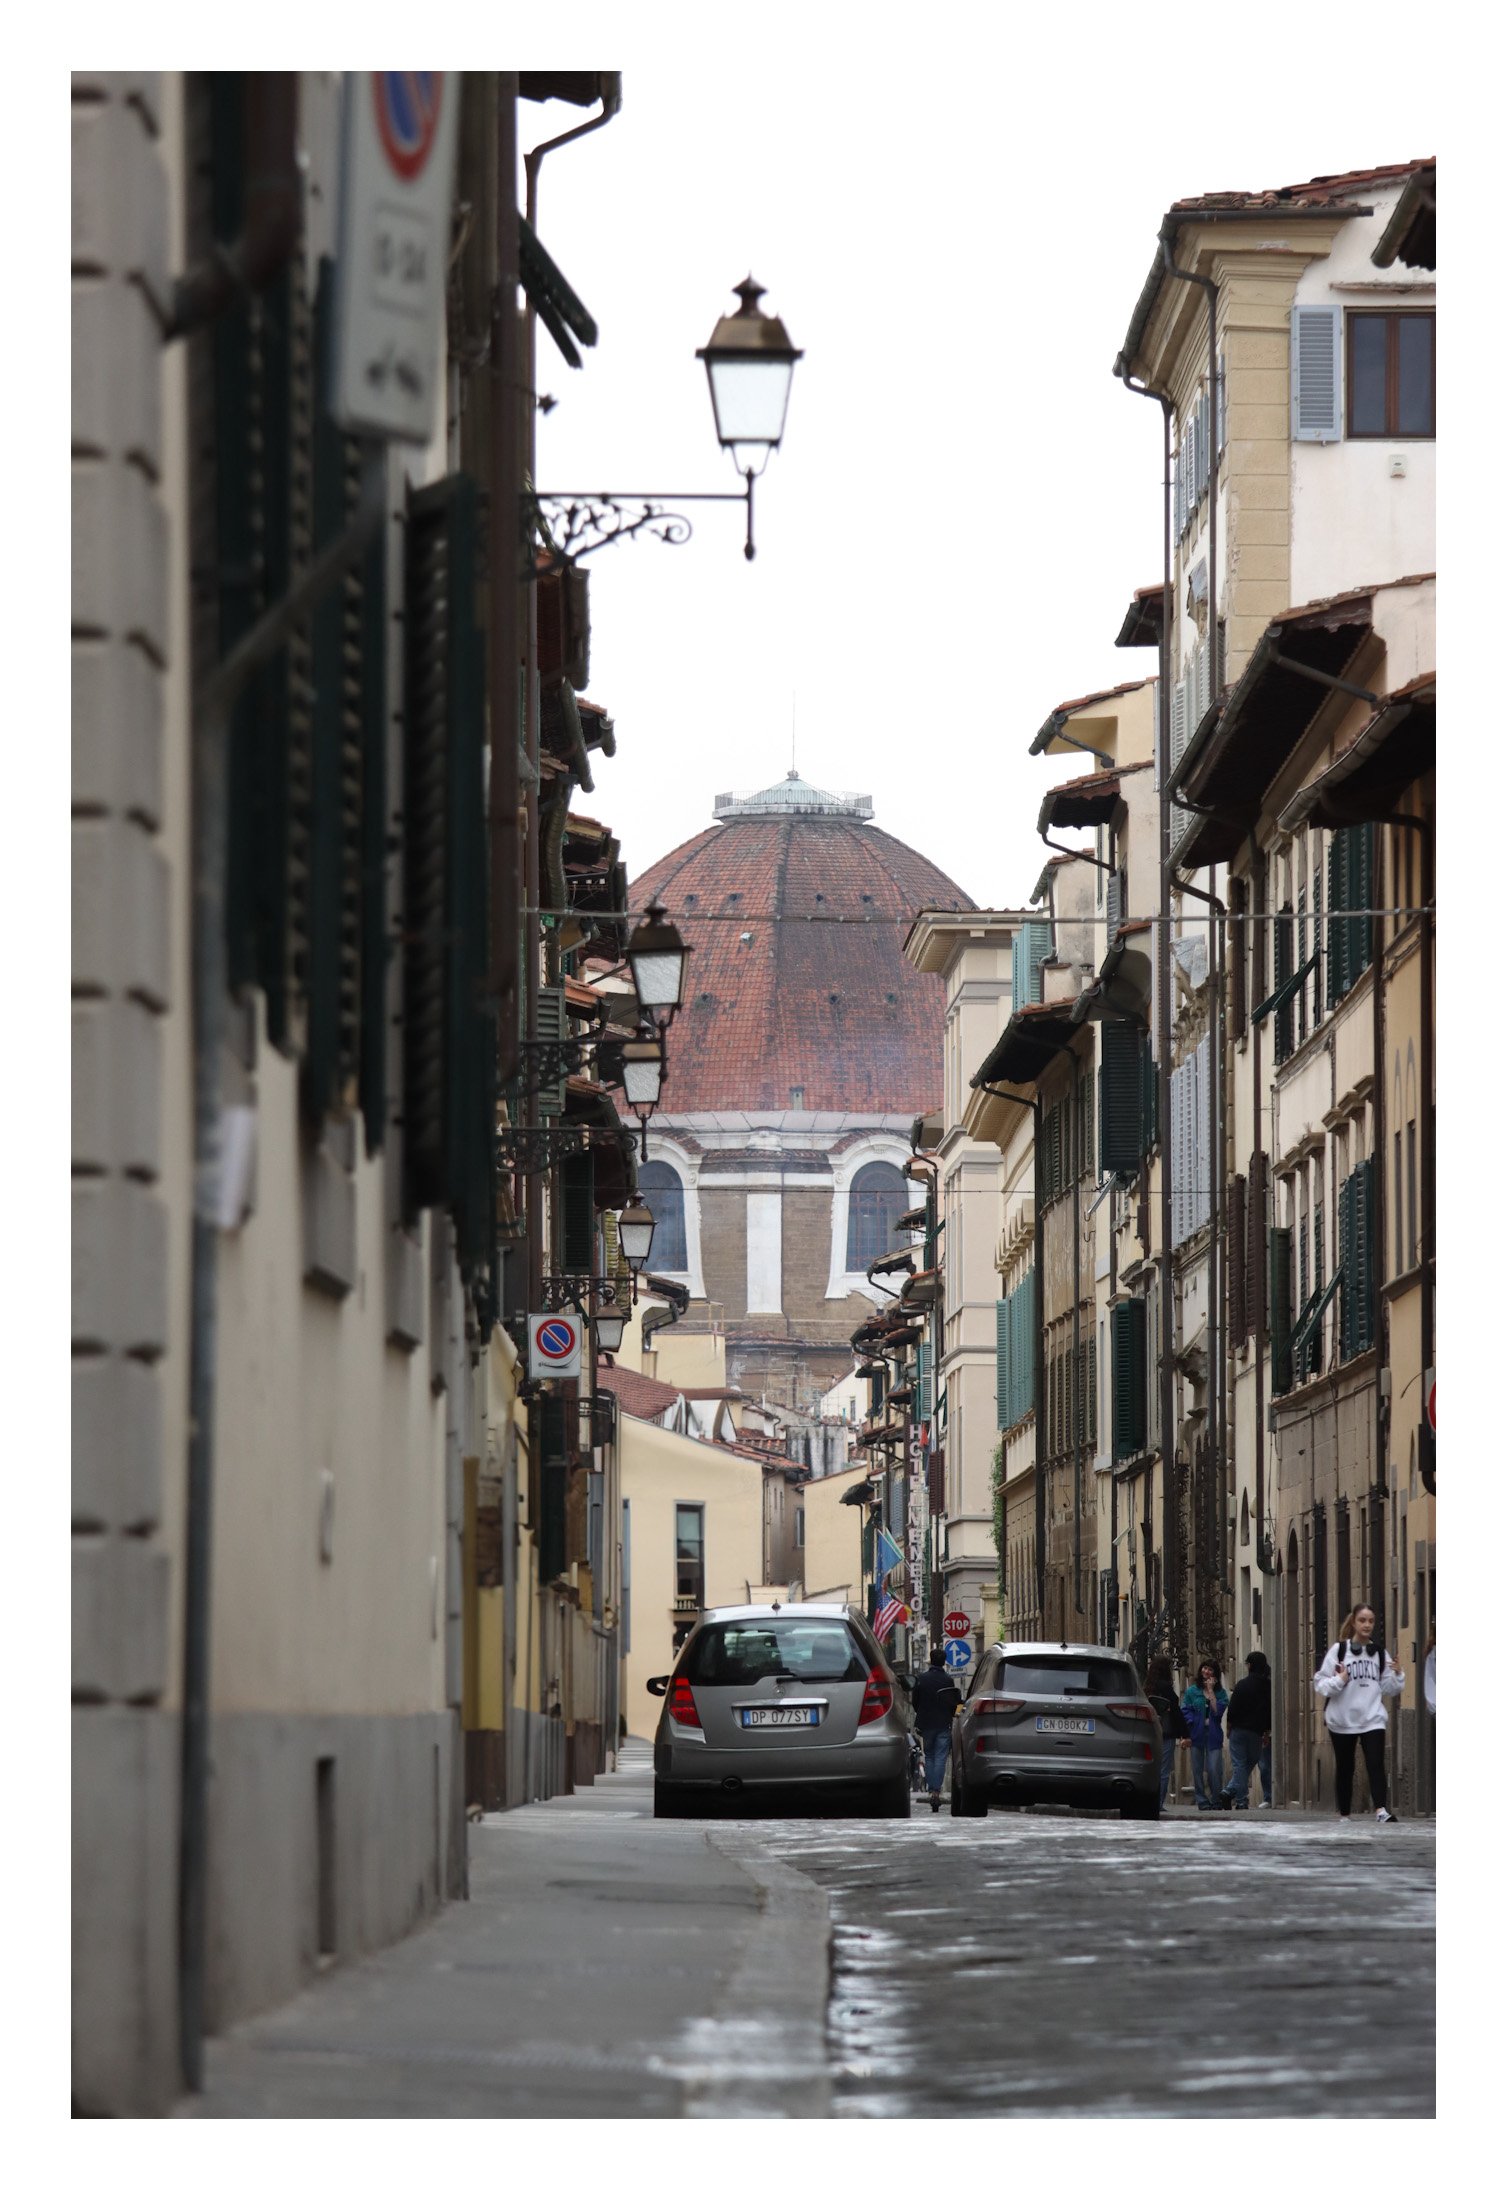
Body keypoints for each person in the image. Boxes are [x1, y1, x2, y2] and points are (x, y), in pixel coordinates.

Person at [1313, 1602, 1406, 1822]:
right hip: (1342, 1720)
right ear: (1354, 1622)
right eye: (1362, 1620)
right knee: (1346, 1767)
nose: (1367, 1625)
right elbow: (1320, 1684)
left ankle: (1381, 1810)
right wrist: (1340, 1680)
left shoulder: (1380, 1654)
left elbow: (1388, 1688)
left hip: (1372, 1717)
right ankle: (1344, 1813)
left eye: (1371, 1621)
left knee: (1375, 1763)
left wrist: (1399, 1675)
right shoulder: (1340, 1651)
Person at [911, 1646, 963, 1812]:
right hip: (943, 1723)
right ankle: (936, 1791)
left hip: (927, 1725)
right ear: (944, 1662)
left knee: (930, 1756)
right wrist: (954, 1714)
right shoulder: (948, 1680)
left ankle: (932, 1789)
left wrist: (922, 1712)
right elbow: (955, 1702)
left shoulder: (921, 1678)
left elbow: (915, 1701)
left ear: (931, 1661)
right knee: (941, 1757)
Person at [1222, 1651, 1273, 1810]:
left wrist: (1229, 1727)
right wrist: (1266, 1731)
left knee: (1240, 1765)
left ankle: (1238, 1798)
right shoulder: (1267, 1686)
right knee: (1248, 1764)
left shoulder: (1242, 1684)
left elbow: (1233, 1707)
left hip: (1239, 1730)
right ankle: (1230, 1793)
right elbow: (1268, 1711)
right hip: (1256, 1732)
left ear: (1250, 1665)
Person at [1179, 1656, 1229, 1811]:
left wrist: (1210, 1691)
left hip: (1213, 1734)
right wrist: (1191, 1724)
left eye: (1210, 1670)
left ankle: (1216, 1799)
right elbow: (1184, 1710)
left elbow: (1217, 1711)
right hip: (1196, 1734)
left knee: (1214, 1769)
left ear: (1215, 1674)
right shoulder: (1192, 1691)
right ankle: (1202, 1800)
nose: (1206, 1672)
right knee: (1197, 1769)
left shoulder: (1220, 1693)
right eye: (1204, 1668)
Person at [1144, 1654, 1187, 1813]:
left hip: (1150, 1732)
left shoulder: (1148, 1686)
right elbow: (1176, 1711)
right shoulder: (1165, 1687)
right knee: (1163, 1770)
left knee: (1153, 1769)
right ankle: (1158, 1803)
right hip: (1166, 1732)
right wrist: (1185, 1733)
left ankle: (1151, 1801)